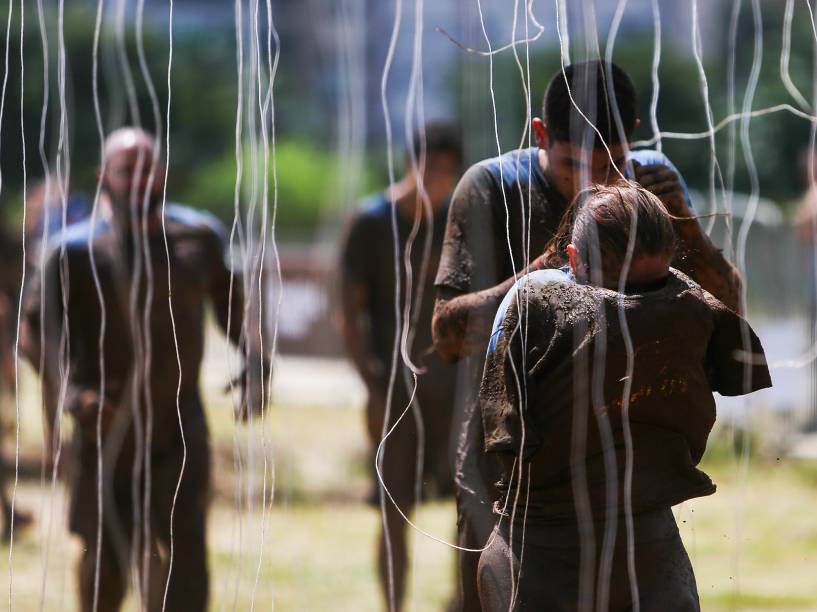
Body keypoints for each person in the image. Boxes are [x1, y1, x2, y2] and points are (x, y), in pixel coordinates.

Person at [431, 60, 743, 610]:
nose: (595, 184)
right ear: (541, 135)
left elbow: (727, 307)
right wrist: (545, 267)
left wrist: (683, 222)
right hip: (508, 467)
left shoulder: (649, 181)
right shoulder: (492, 186)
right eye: (575, 167)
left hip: (623, 467)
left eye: (612, 165)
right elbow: (447, 335)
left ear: (635, 139)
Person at [477, 183, 771, 611]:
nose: (642, 305)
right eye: (621, 290)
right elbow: (501, 434)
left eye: (656, 286)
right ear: (573, 261)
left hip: (649, 553)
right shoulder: (536, 303)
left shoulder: (685, 303)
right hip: (539, 557)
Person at [21, 127, 266, 611]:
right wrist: (73, 394)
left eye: (147, 168)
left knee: (186, 554)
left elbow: (237, 311)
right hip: (104, 427)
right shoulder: (74, 250)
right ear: (103, 177)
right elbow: (36, 333)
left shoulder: (197, 237)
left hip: (180, 426)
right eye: (125, 169)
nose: (138, 179)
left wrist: (257, 365)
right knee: (104, 556)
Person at [339, 121, 463, 611]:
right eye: (427, 167)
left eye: (445, 171)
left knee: (470, 502)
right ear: (410, 163)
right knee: (393, 509)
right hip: (393, 382)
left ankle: (462, 600)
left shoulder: (461, 218)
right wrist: (370, 383)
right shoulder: (371, 221)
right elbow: (348, 310)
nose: (434, 179)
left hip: (455, 384)